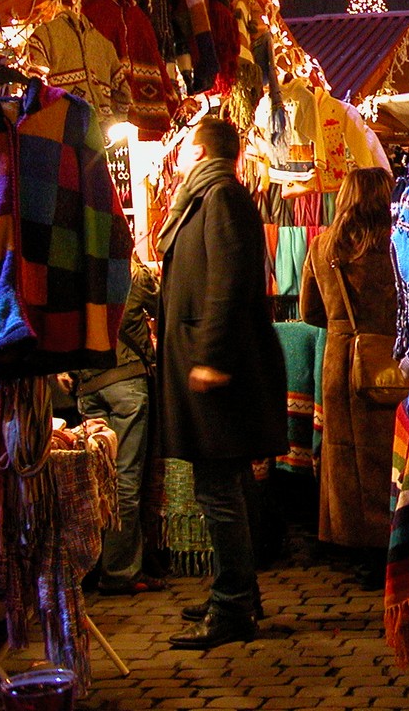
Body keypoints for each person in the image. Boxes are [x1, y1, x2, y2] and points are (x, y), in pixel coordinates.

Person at [158, 117, 287, 649]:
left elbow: (230, 281)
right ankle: (237, 592)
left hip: (219, 373)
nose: (181, 156)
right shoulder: (205, 198)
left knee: (219, 490)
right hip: (209, 366)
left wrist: (210, 357)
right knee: (225, 486)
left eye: (186, 147)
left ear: (203, 149)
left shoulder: (222, 199)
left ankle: (233, 606)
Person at [299, 166, 398, 591]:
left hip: (341, 360)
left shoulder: (323, 247)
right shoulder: (398, 245)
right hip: (390, 357)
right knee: (392, 452)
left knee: (346, 458)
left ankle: (358, 548)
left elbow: (309, 312)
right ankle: (395, 538)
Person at [66, 256, 162, 596]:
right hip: (125, 384)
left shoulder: (75, 278)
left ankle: (89, 566)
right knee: (125, 478)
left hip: (88, 385)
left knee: (94, 480)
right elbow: (164, 307)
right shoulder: (134, 277)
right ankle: (119, 570)